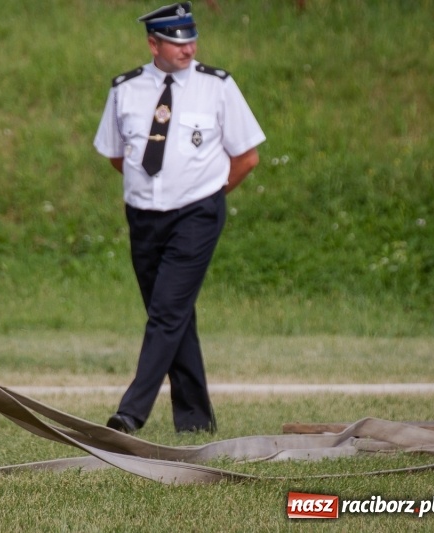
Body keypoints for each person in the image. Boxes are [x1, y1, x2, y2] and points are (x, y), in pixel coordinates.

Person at [93, 2, 265, 434]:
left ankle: (129, 414)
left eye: (192, 40)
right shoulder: (125, 89)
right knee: (172, 312)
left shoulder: (218, 86)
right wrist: (157, 187)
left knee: (166, 314)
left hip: (197, 213)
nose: (188, 49)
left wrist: (205, 193)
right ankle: (195, 419)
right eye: (177, 42)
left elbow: (247, 157)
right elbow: (118, 156)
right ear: (153, 44)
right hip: (144, 216)